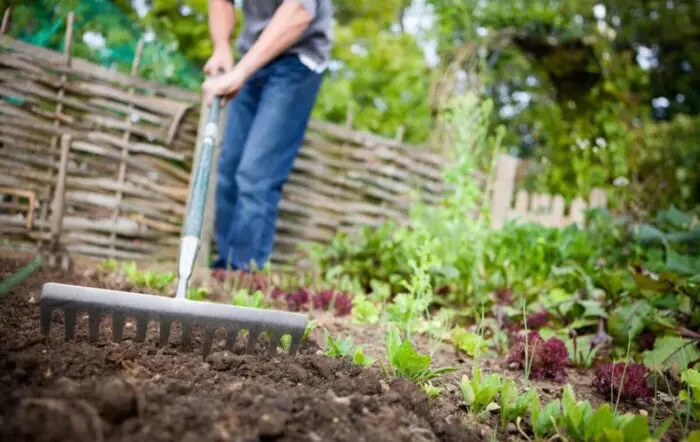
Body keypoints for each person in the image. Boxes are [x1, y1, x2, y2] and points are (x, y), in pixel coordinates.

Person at [201, 0, 333, 276]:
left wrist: (240, 72)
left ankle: (244, 276)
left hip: (298, 58)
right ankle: (224, 269)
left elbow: (299, 11)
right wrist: (222, 46)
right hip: (252, 55)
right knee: (228, 168)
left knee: (256, 173)